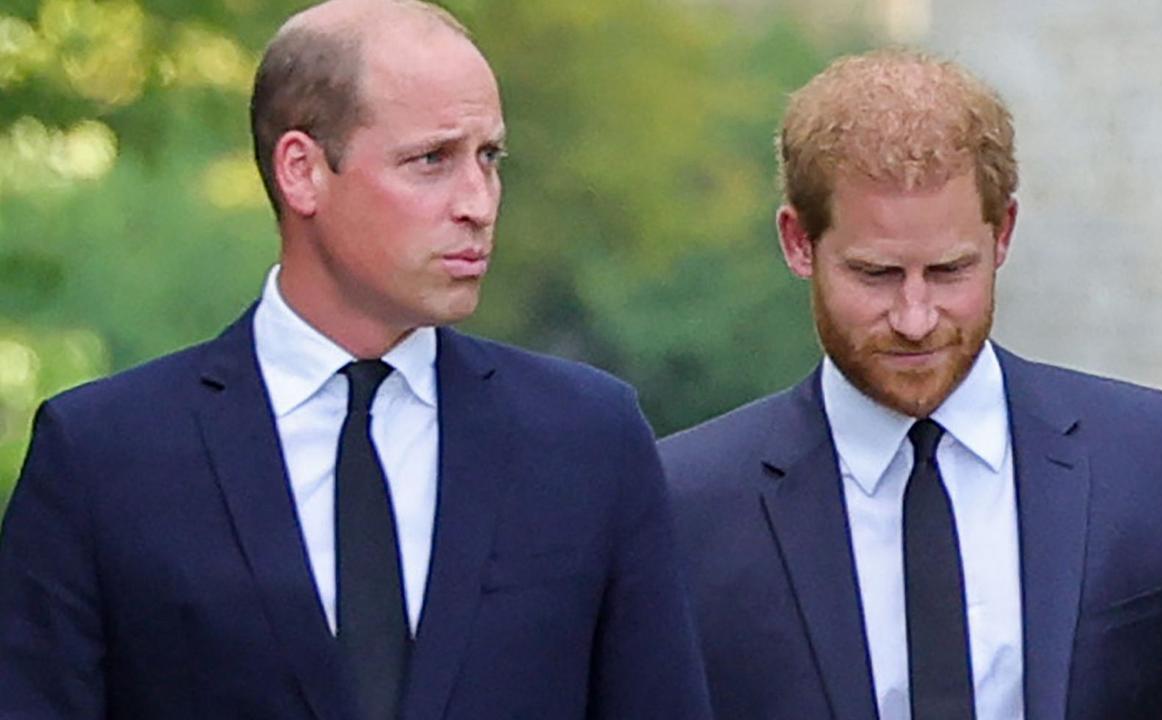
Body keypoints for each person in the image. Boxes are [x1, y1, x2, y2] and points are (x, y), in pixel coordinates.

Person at [0, 1, 712, 718]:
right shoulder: (102, 457)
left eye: (489, 158)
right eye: (431, 159)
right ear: (302, 172)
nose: (479, 202)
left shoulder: (588, 439)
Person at [660, 49, 1162, 720]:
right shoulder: (685, 503)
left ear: (1003, 232)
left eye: (951, 270)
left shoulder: (1156, 465)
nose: (916, 318)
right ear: (798, 242)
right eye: (876, 274)